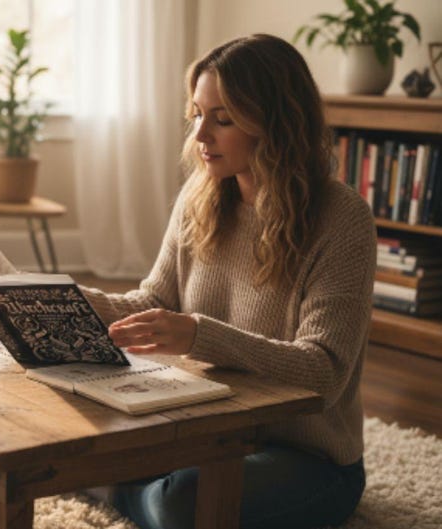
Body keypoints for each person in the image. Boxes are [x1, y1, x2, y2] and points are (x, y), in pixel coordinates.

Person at [80, 34, 376, 529]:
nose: (200, 135)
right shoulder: (202, 196)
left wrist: (200, 334)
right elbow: (153, 300)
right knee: (81, 422)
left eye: (223, 119)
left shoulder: (342, 219)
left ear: (277, 123)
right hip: (208, 430)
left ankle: (116, 489)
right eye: (196, 114)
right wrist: (62, 302)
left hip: (307, 459)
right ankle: (126, 483)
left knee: (183, 502)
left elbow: (325, 371)